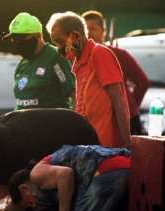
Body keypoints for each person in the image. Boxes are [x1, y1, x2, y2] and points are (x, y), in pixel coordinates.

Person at [46, 12, 131, 149]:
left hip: (106, 149)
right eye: (55, 43)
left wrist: (127, 145)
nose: (58, 48)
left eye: (60, 42)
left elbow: (119, 101)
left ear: (76, 36)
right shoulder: (78, 63)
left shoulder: (99, 53)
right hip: (88, 148)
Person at [81, 10, 150, 135]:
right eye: (85, 29)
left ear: (103, 31)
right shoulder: (81, 59)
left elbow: (143, 82)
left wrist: (131, 106)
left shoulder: (119, 54)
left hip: (125, 118)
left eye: (92, 28)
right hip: (97, 119)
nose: (88, 33)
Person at [1, 12, 76, 110]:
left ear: (38, 36)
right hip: (25, 124)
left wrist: (77, 123)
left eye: (22, 39)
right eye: (15, 40)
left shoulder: (56, 58)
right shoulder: (22, 64)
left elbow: (75, 95)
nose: (18, 43)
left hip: (52, 122)